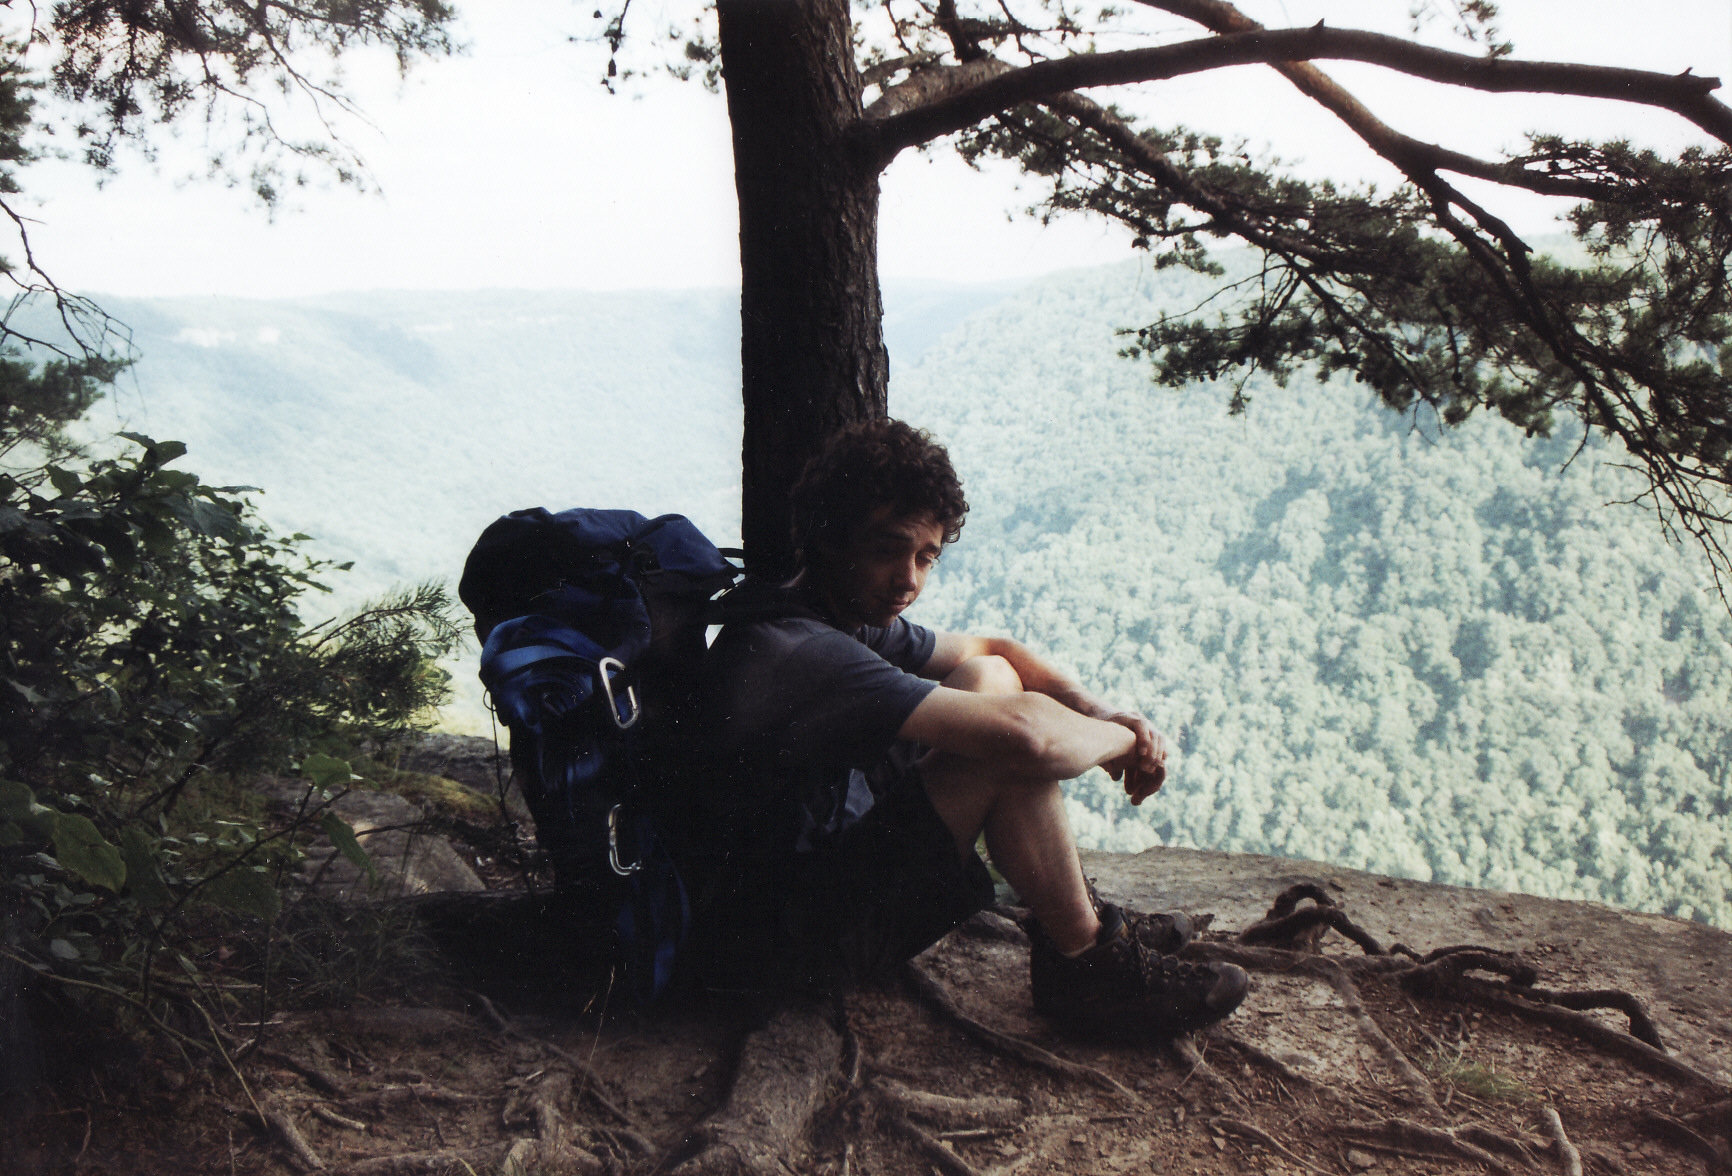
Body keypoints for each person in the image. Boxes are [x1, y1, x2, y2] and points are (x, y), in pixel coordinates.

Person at [685, 418, 1248, 1038]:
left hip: (799, 885)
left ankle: (1073, 917)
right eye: (887, 550)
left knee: (989, 677)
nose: (909, 580)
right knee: (1002, 746)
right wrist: (1126, 743)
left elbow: (993, 649)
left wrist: (1100, 713)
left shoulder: (829, 607)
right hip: (777, 949)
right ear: (829, 538)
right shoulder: (798, 650)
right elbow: (1026, 738)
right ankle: (1089, 963)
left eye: (926, 556)